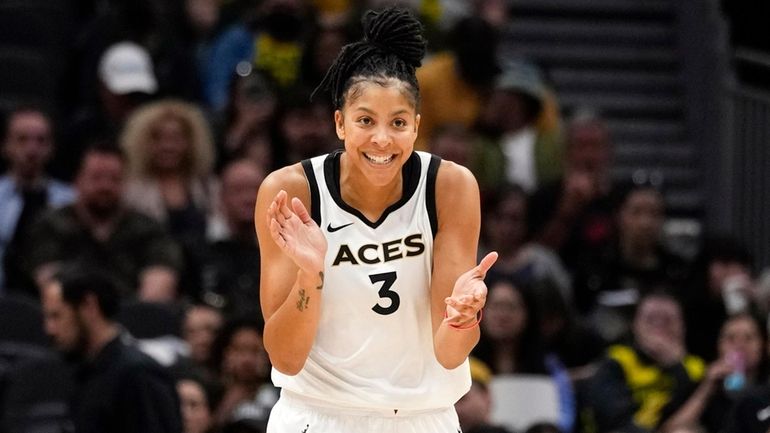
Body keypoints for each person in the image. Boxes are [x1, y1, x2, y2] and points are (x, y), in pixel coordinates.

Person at [253, 7, 497, 433]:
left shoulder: (450, 186)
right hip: (317, 415)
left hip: (424, 417)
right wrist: (311, 275)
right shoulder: (293, 191)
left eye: (398, 123)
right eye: (365, 120)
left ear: (417, 126)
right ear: (340, 123)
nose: (382, 139)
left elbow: (450, 353)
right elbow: (285, 358)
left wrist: (463, 317)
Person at [23, 144, 183, 301]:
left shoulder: (147, 229)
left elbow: (160, 282)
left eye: (114, 178)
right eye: (96, 177)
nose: (105, 186)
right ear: (77, 180)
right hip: (69, 317)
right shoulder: (51, 225)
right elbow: (50, 282)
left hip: (134, 319)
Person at [40, 264, 182, 433]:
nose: (49, 329)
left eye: (57, 316)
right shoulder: (86, 373)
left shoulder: (138, 375)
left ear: (89, 306)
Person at [586, 290, 705, 433]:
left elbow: (702, 417)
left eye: (668, 321)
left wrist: (676, 367)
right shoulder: (618, 359)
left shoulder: (697, 368)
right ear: (634, 325)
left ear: (683, 327)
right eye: (651, 320)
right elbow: (613, 420)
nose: (659, 330)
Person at [0, 106, 75, 295]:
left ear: (52, 148)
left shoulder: (71, 200)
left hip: (56, 297)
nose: (32, 150)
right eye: (22, 140)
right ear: (5, 146)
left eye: (41, 141)